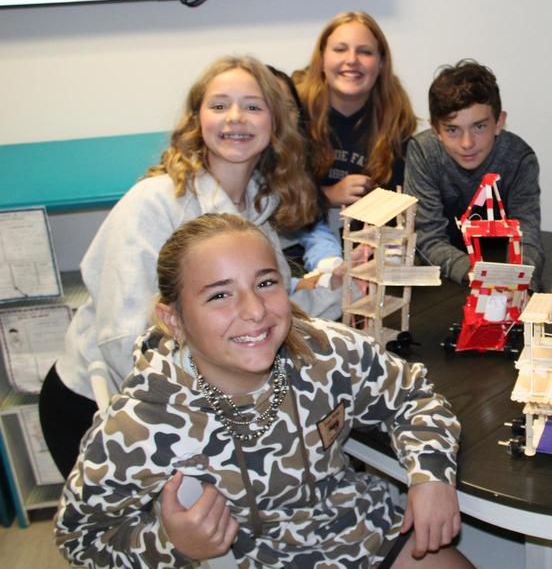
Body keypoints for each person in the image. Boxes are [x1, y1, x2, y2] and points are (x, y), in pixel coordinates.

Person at [54, 213, 471, 568]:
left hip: (355, 533)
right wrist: (171, 543)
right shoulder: (143, 422)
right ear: (174, 319)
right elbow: (80, 538)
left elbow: (413, 397)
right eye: (220, 295)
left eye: (266, 283)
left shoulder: (326, 352)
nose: (254, 311)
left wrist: (431, 476)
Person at [38, 56, 343, 478]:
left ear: (275, 122)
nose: (235, 117)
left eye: (252, 106)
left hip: (197, 406)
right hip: (104, 408)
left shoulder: (258, 204)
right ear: (197, 120)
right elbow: (124, 342)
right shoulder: (154, 202)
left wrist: (337, 289)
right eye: (219, 105)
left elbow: (263, 312)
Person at [404, 59, 543, 289]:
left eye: (479, 127)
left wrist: (521, 282)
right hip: (446, 274)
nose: (467, 143)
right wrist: (482, 277)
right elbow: (427, 237)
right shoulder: (423, 153)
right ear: (436, 130)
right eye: (452, 129)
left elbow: (526, 234)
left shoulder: (519, 158)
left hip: (503, 264)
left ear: (499, 122)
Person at [294, 11, 417, 208]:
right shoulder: (293, 112)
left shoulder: (397, 121)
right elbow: (272, 192)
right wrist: (327, 196)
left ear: (381, 63)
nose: (352, 60)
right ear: (322, 59)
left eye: (365, 52)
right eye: (340, 49)